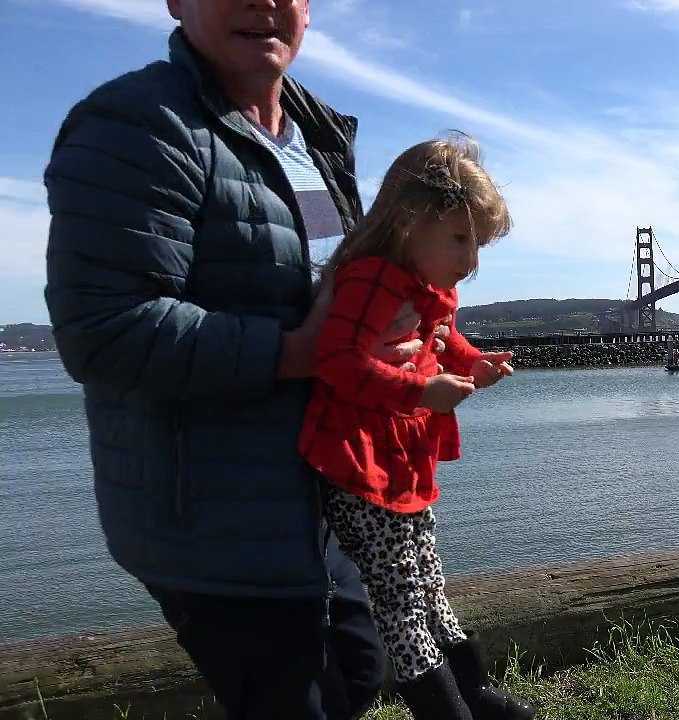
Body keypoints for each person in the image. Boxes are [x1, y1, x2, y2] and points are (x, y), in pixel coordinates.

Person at [43, 2, 444, 717]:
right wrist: (303, 352)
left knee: (357, 671)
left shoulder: (317, 134)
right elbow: (104, 331)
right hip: (217, 524)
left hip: (328, 493)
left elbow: (334, 294)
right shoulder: (135, 125)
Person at [301, 136, 534, 720]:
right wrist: (420, 391)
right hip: (359, 463)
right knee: (400, 598)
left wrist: (472, 362)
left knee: (427, 581)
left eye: (477, 243)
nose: (472, 260)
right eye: (461, 239)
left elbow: (442, 339)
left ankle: (472, 692)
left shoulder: (428, 288)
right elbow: (336, 360)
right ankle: (444, 709)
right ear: (409, 221)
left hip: (401, 460)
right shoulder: (373, 280)